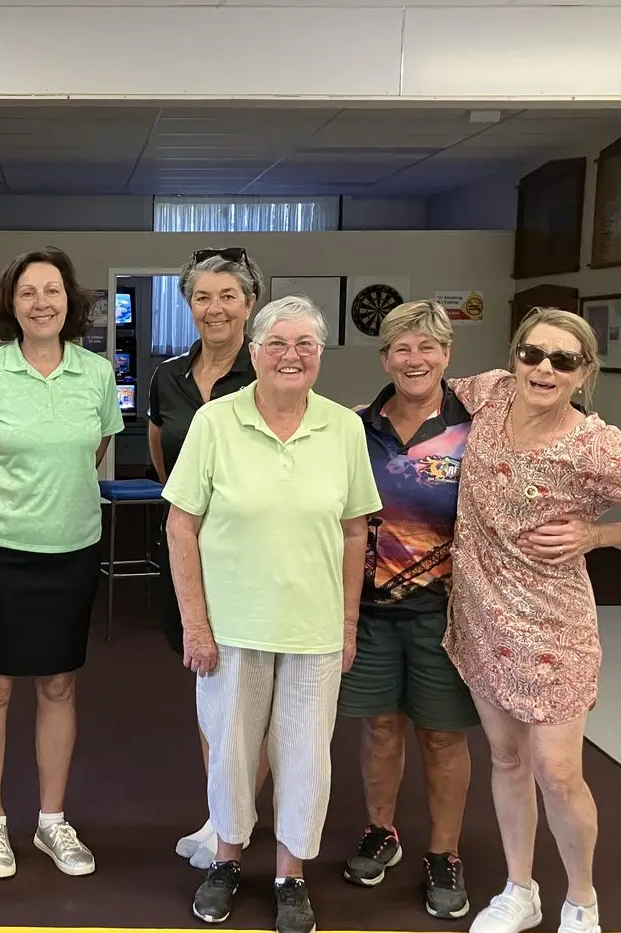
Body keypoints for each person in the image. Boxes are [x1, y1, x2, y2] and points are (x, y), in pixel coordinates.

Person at [444, 307, 621, 933]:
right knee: (507, 759)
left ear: (583, 372)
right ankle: (520, 889)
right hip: (482, 615)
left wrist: (600, 532)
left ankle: (582, 901)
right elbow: (424, 385)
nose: (543, 368)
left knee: (560, 772)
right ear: (514, 356)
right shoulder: (488, 394)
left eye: (562, 360)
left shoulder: (594, 442)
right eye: (532, 353)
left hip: (554, 626)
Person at [163, 295, 383, 933]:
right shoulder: (215, 422)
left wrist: (346, 626)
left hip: (313, 629)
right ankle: (227, 860)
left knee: (306, 756)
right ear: (254, 353)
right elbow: (182, 528)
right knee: (230, 751)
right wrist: (195, 625)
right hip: (231, 627)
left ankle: (291, 874)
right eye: (278, 344)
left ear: (320, 355)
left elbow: (353, 532)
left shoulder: (343, 427)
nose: (292, 356)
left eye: (305, 346)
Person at [0, 246, 124, 880]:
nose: (42, 302)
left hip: (73, 550)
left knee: (58, 685)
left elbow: (98, 445)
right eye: (29, 292)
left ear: (70, 301)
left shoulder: (97, 373)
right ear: (11, 303)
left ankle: (52, 821)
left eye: (52, 291)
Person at [337, 300, 477, 920]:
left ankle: (444, 853)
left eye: (426, 348)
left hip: (445, 612)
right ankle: (382, 831)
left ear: (446, 355)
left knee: (443, 736)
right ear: (385, 357)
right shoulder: (357, 425)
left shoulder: (475, 425)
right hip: (368, 610)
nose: (414, 359)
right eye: (401, 349)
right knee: (381, 728)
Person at [146, 246, 271, 869]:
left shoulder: (270, 371)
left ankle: (238, 820)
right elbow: (166, 464)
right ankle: (222, 812)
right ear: (188, 305)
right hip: (190, 556)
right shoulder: (166, 376)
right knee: (210, 687)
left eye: (228, 296)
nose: (215, 308)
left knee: (256, 696)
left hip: (255, 560)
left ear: (250, 305)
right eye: (202, 297)